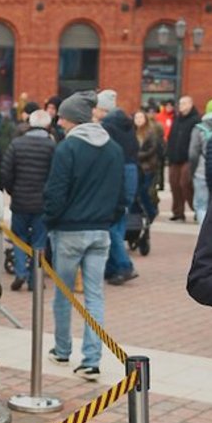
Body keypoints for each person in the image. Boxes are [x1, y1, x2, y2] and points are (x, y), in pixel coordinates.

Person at [43, 90, 127, 379]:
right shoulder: (114, 149)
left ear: (71, 120)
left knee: (63, 295)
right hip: (101, 230)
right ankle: (92, 359)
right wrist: (110, 218)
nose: (60, 123)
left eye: (63, 119)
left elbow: (56, 192)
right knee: (94, 297)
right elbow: (121, 193)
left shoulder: (67, 149)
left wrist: (50, 220)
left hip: (68, 230)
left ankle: (62, 349)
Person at [0, 108, 55, 291]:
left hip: (20, 200)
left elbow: (6, 171)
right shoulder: (51, 146)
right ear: (47, 125)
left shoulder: (17, 144)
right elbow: (56, 174)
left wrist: (12, 190)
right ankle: (35, 279)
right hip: (42, 202)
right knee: (39, 241)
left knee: (19, 238)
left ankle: (20, 272)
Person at [95, 90, 139, 285]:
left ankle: (123, 265)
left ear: (102, 108)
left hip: (118, 174)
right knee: (119, 223)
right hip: (131, 173)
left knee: (110, 225)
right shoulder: (127, 124)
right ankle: (113, 267)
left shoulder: (107, 127)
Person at [165, 95, 200, 222]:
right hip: (174, 157)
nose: (181, 106)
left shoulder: (196, 120)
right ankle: (178, 213)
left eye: (184, 103)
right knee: (174, 185)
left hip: (188, 158)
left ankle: (197, 209)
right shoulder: (177, 119)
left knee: (185, 184)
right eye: (180, 104)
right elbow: (171, 137)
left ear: (191, 104)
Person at [133, 107, 164, 223]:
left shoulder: (151, 132)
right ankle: (143, 212)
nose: (138, 120)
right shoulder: (132, 132)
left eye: (141, 117)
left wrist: (138, 155)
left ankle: (151, 211)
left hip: (148, 166)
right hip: (137, 166)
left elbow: (152, 149)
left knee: (146, 190)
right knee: (138, 191)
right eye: (136, 117)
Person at [187, 98, 212, 225]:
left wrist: (191, 170)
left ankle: (204, 234)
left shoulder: (199, 128)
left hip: (201, 171)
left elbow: (193, 153)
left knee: (201, 205)